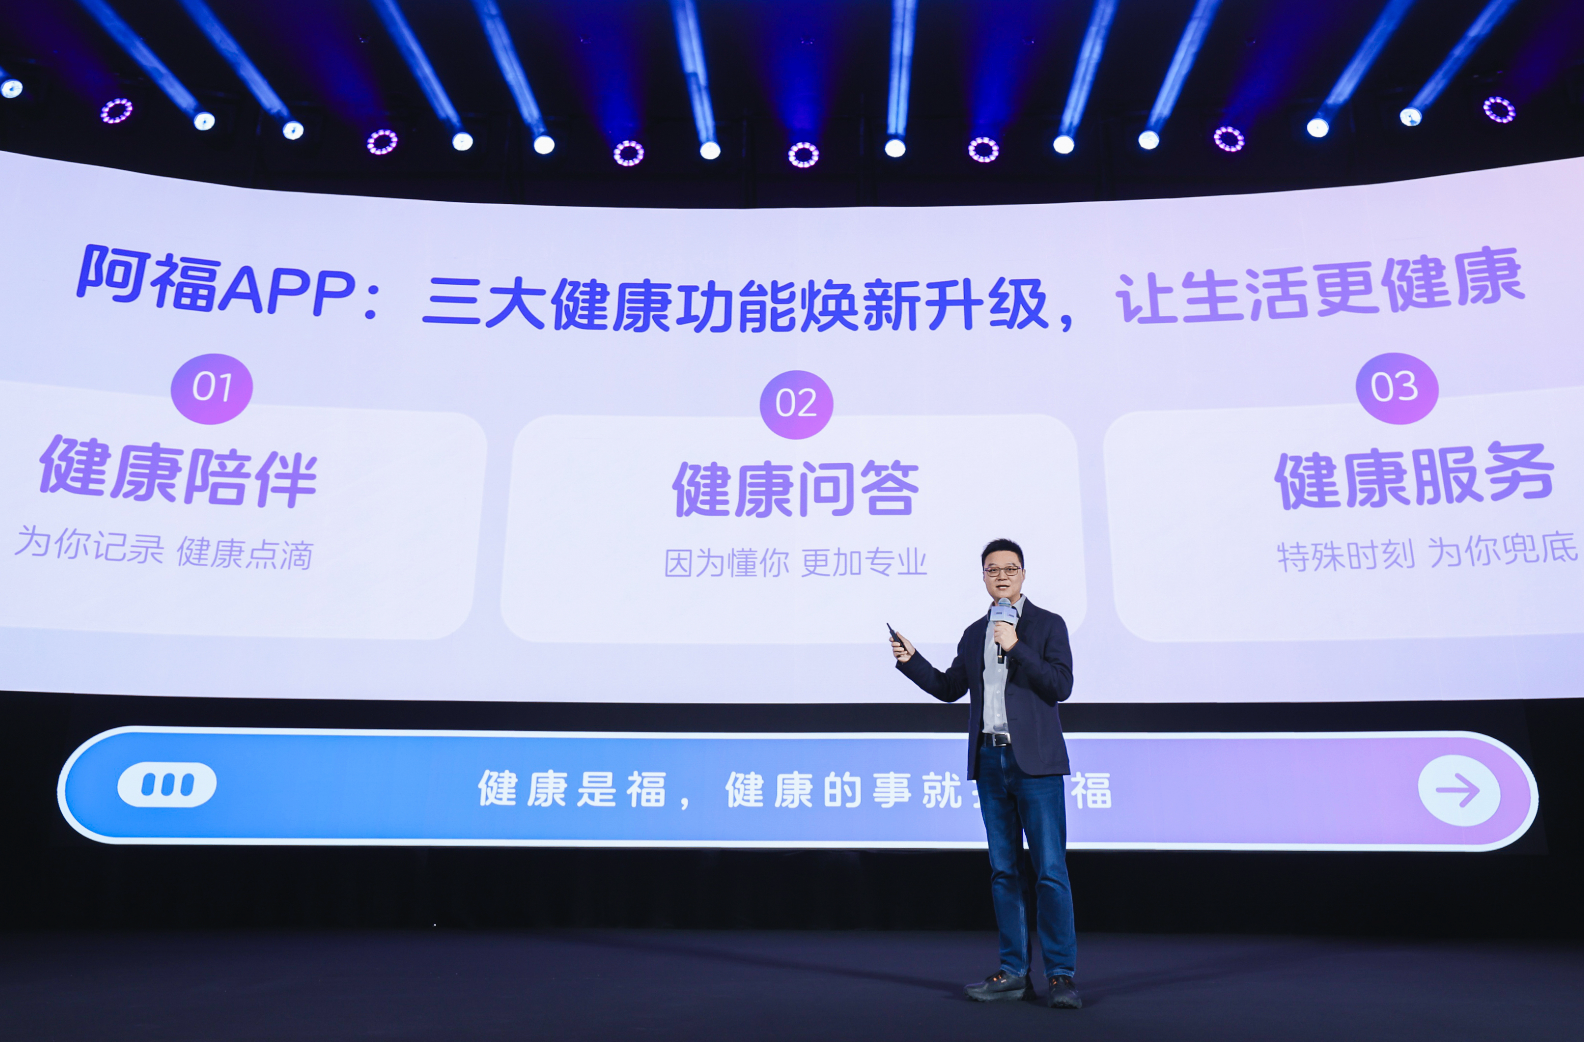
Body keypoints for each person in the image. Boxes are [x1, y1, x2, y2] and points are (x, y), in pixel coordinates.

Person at [889, 538, 1080, 1009]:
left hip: (1035, 764)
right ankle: (1014, 973)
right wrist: (912, 661)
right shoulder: (975, 632)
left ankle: (1060, 976)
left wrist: (1016, 646)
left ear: (1023, 574)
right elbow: (949, 687)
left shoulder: (1047, 625)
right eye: (993, 570)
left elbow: (1060, 685)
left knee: (1050, 871)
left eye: (1010, 569)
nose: (1001, 576)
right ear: (983, 577)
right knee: (1003, 871)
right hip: (991, 761)